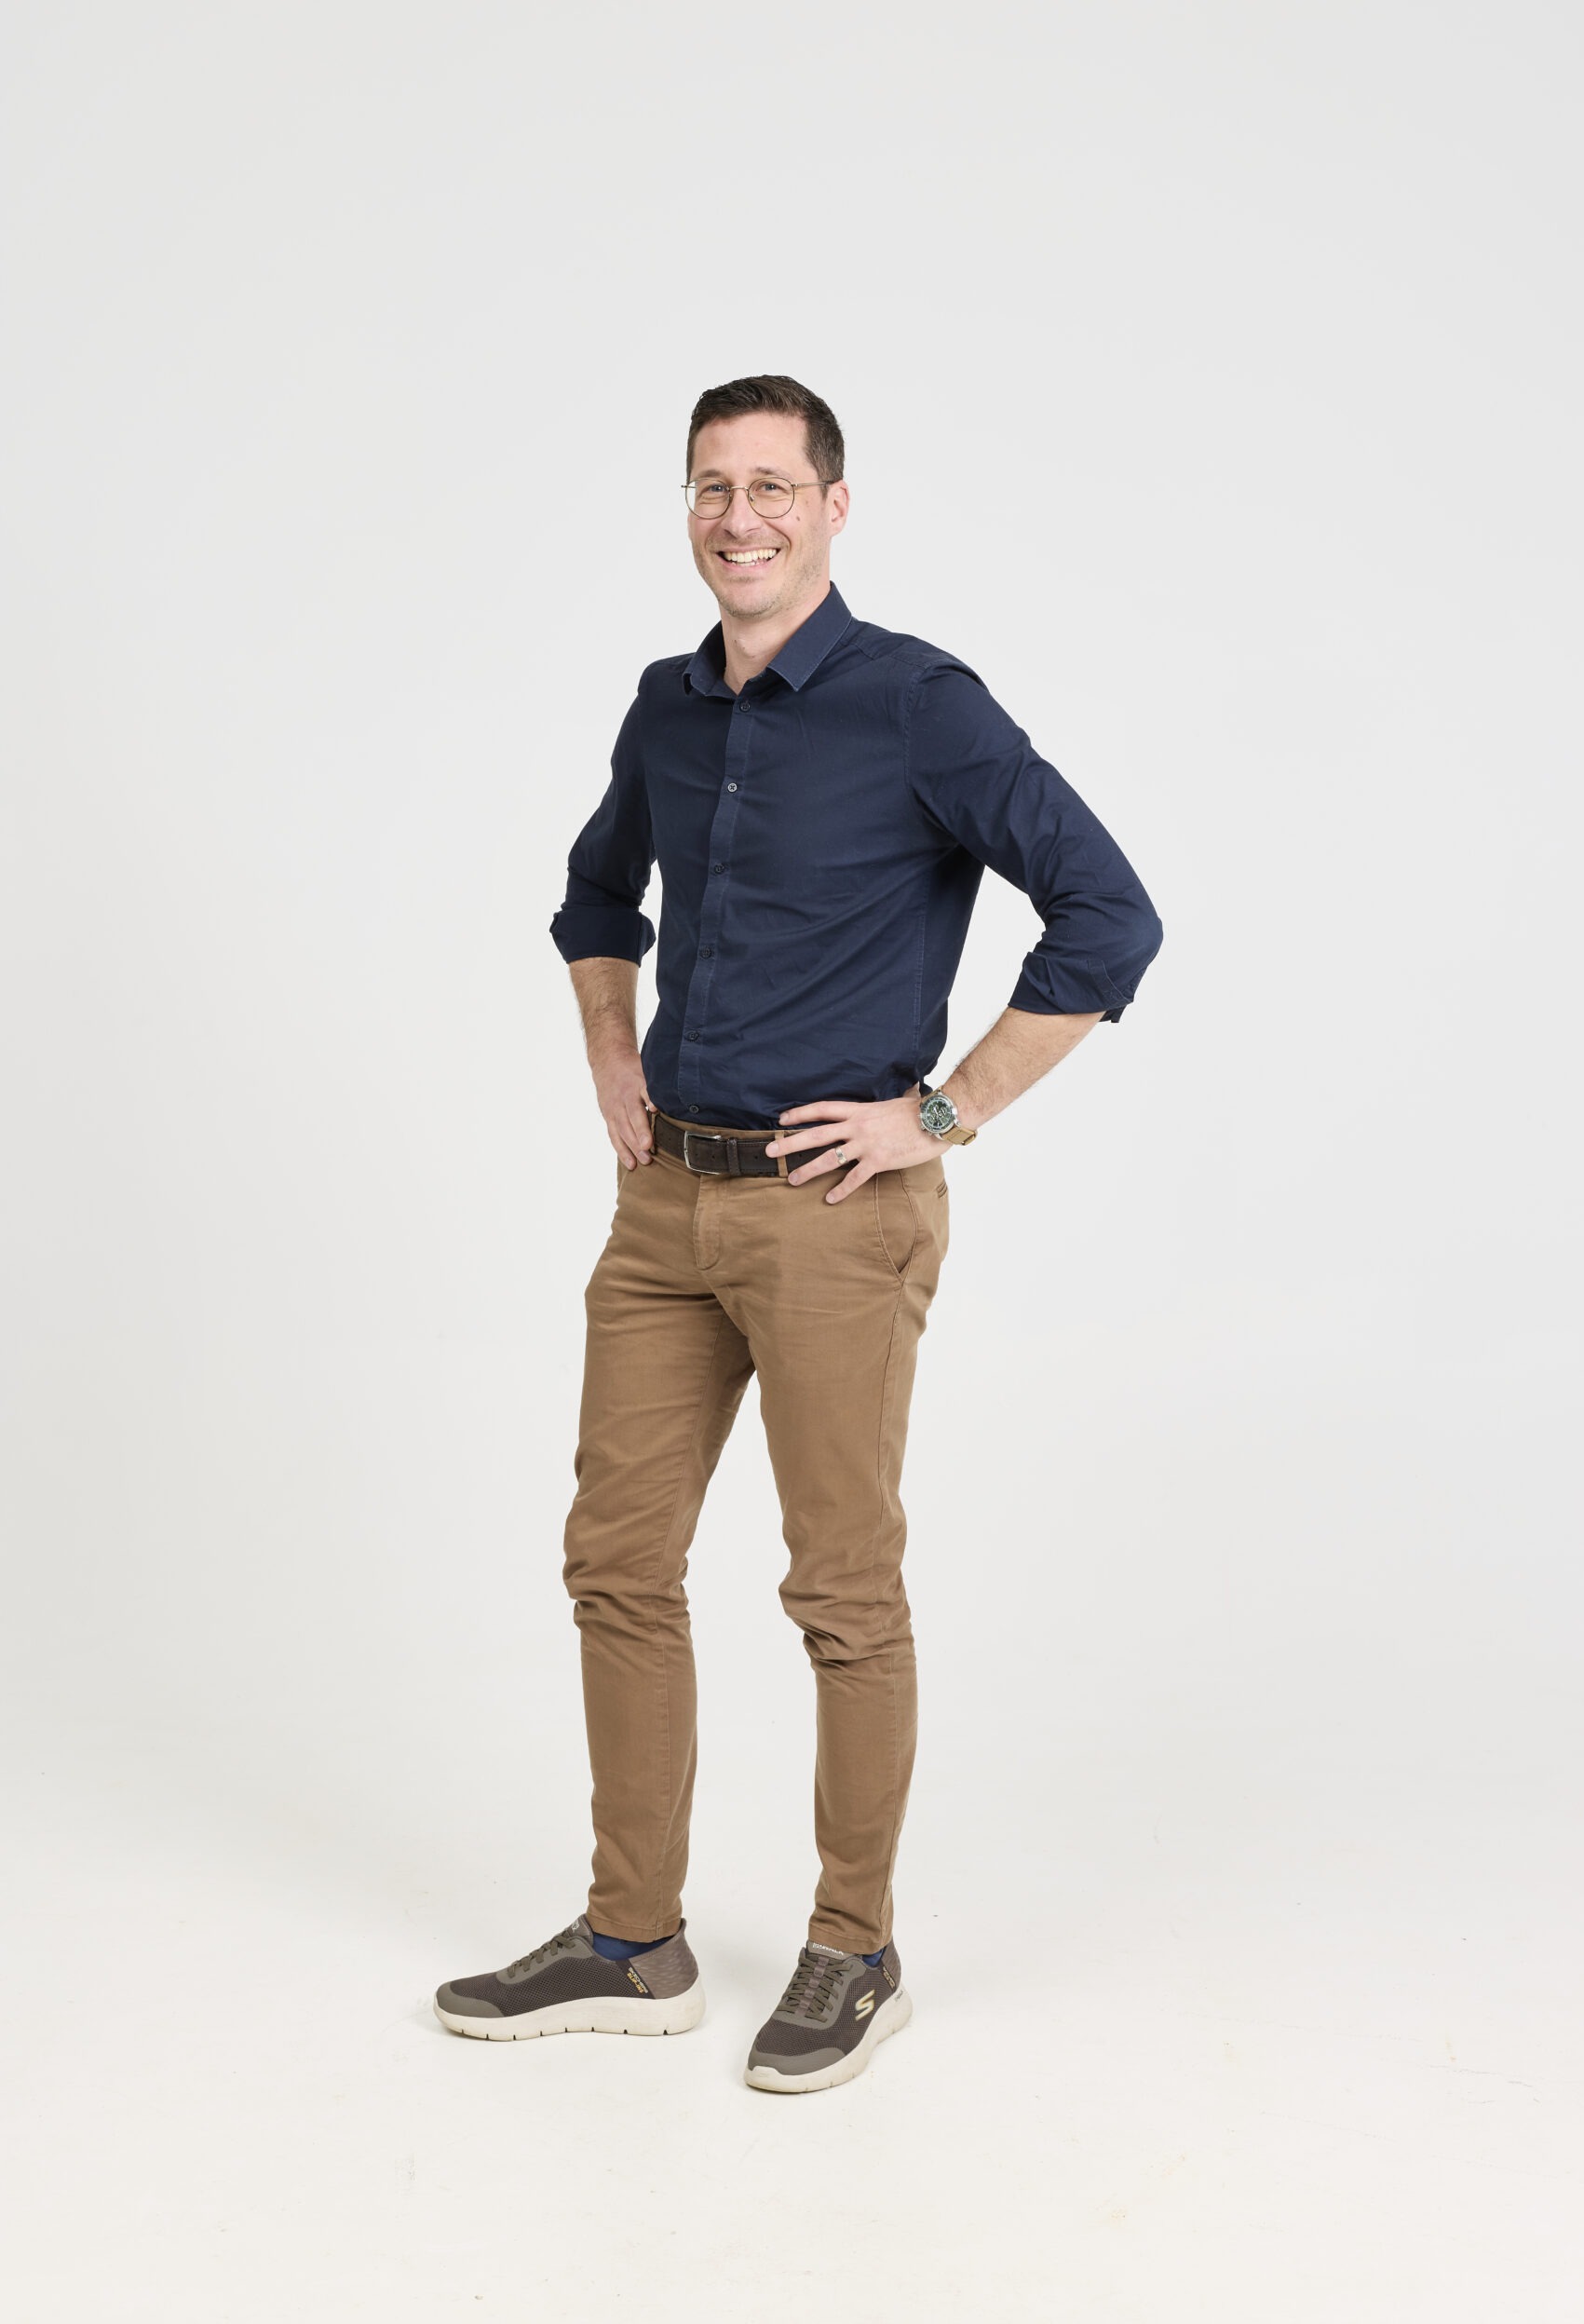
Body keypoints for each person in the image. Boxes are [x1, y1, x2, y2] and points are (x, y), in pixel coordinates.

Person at [435, 374, 1163, 2093]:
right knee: (616, 1562)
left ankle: (857, 1947)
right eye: (713, 485)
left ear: (835, 506)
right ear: (688, 509)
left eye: (773, 485)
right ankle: (635, 1938)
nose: (740, 517)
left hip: (837, 1215)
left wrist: (941, 1113)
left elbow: (1109, 916)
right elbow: (597, 894)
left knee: (839, 1586)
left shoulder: (920, 705)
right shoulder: (667, 706)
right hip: (663, 1205)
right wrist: (610, 1046)